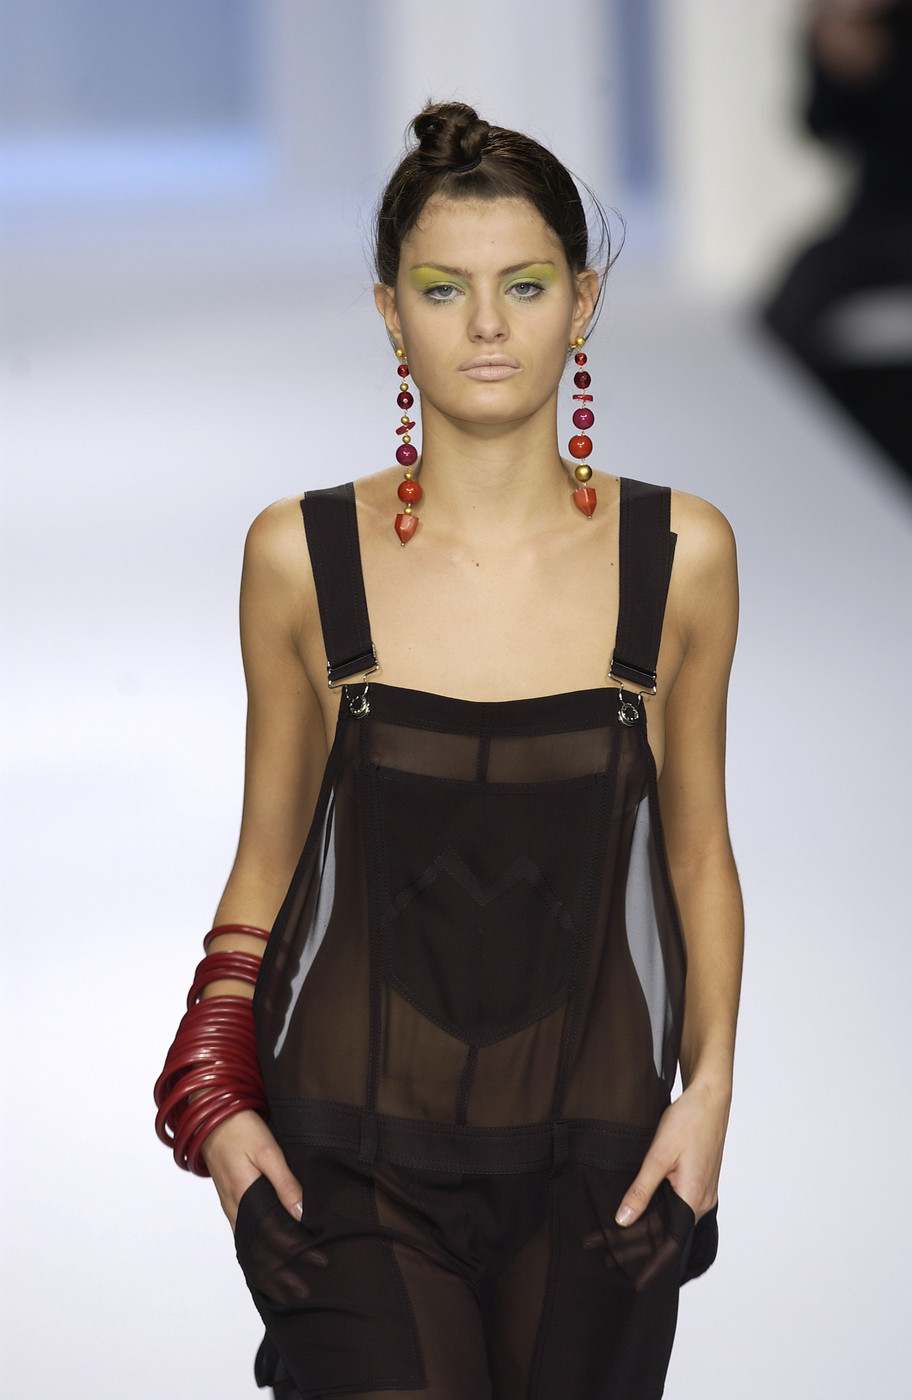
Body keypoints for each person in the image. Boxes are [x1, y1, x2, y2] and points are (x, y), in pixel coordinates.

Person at [155, 101, 743, 1400]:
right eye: (443, 288)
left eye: (524, 285)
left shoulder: (681, 556)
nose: (486, 325)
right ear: (390, 313)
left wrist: (707, 1101)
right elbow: (268, 861)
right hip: (347, 1145)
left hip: (599, 1152)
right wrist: (217, 1101)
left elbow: (699, 852)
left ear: (583, 303)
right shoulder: (299, 556)